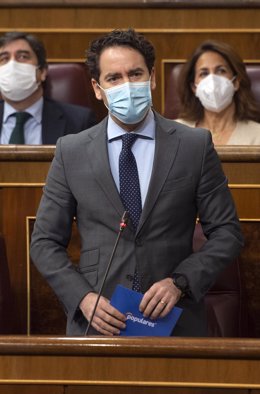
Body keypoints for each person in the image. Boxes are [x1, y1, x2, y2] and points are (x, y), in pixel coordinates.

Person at [30, 28, 243, 337]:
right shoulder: (71, 151)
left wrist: (180, 282)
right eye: (114, 78)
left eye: (135, 74)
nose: (127, 85)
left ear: (152, 77)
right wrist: (83, 298)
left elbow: (227, 233)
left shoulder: (193, 145)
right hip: (98, 321)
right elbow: (44, 242)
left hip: (175, 321)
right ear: (97, 88)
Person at [0, 31, 96, 144]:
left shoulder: (79, 121)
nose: (12, 65)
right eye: (4, 58)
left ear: (42, 72)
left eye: (22, 56)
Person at [175, 40, 260, 145]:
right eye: (204, 73)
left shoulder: (257, 136)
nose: (212, 80)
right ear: (194, 87)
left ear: (236, 82)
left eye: (221, 71)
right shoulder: (175, 132)